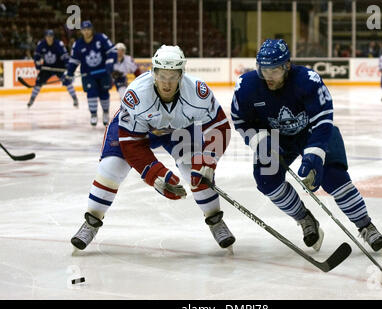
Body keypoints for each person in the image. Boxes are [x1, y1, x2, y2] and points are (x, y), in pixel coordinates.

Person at [71, 45, 235, 252]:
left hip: (179, 130)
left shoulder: (198, 93)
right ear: (153, 73)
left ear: (181, 74)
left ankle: (215, 220)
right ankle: (92, 221)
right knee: (111, 169)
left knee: (196, 171)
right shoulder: (136, 95)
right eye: (161, 76)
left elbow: (219, 126)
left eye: (172, 76)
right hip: (136, 133)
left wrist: (209, 159)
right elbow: (131, 142)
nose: (166, 83)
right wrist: (152, 173)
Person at [231, 39, 382, 253]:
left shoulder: (307, 80)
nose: (268, 77)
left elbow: (323, 121)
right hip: (275, 137)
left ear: (287, 66)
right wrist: (259, 140)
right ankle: (305, 219)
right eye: (263, 70)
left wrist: (314, 156)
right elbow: (240, 121)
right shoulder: (247, 86)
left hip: (313, 133)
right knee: (266, 180)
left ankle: (365, 225)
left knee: (333, 177)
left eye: (274, 70)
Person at [66, 20, 117, 126]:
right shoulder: (78, 44)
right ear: (81, 31)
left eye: (88, 29)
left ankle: (106, 113)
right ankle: (93, 114)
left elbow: (112, 51)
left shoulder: (101, 38)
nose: (87, 32)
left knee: (104, 93)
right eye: (84, 30)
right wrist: (70, 71)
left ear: (92, 29)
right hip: (88, 74)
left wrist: (110, 62)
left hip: (103, 72)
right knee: (91, 93)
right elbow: (74, 60)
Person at [27, 29, 78, 108]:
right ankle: (31, 100)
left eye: (51, 36)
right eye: (48, 36)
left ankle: (75, 98)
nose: (49, 38)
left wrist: (67, 65)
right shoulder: (41, 44)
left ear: (53, 37)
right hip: (47, 68)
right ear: (45, 37)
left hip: (59, 67)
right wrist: (38, 66)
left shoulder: (58, 44)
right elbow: (37, 56)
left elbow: (64, 56)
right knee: (38, 82)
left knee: (67, 81)